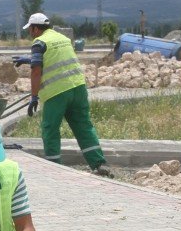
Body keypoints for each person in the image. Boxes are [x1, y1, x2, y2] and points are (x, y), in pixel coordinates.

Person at [13, 12, 112, 177]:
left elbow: (37, 71)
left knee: (50, 129)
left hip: (57, 92)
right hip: (78, 88)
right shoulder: (62, 39)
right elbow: (55, 59)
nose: (29, 33)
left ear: (35, 28)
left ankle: (54, 168)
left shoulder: (39, 43)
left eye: (30, 29)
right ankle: (99, 163)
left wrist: (34, 96)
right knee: (83, 127)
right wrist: (30, 59)